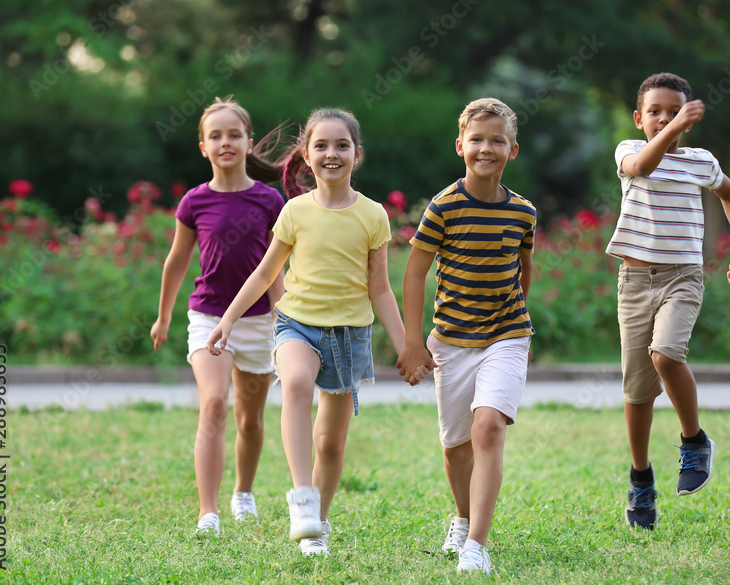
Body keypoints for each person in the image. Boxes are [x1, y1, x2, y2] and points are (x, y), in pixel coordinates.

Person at [205, 108, 405, 557]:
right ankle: (302, 498)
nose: (331, 154)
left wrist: (406, 345)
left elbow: (381, 289)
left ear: (357, 154)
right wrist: (228, 319)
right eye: (321, 145)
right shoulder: (294, 211)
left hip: (349, 335)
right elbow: (262, 275)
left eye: (341, 146)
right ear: (306, 156)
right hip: (297, 324)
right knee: (294, 384)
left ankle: (318, 525)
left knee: (330, 445)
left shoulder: (373, 216)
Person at [606, 72, 730, 530]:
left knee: (666, 355)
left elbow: (729, 192)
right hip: (634, 280)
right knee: (637, 390)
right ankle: (641, 479)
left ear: (687, 122)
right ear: (638, 118)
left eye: (674, 112)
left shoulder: (699, 161)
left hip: (682, 277)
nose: (664, 118)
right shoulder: (629, 150)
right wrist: (671, 130)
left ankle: (694, 440)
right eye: (655, 111)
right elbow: (643, 168)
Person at [396, 97, 536, 575]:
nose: (486, 148)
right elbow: (415, 275)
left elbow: (524, 270)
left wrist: (515, 320)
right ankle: (461, 517)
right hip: (450, 341)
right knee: (456, 446)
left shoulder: (523, 213)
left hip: (507, 334)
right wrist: (413, 343)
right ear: (460, 146)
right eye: (477, 139)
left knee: (488, 427)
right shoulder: (443, 207)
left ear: (512, 150)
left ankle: (476, 544)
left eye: (497, 140)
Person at [150, 96, 286, 538]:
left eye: (234, 134)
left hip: (259, 322)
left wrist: (284, 323)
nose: (225, 142)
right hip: (208, 317)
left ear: (248, 141)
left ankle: (242, 493)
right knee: (213, 405)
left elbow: (276, 269)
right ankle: (208, 512)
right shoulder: (194, 202)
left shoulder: (270, 200)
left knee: (250, 419)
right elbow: (175, 262)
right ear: (203, 147)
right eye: (215, 136)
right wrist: (164, 316)